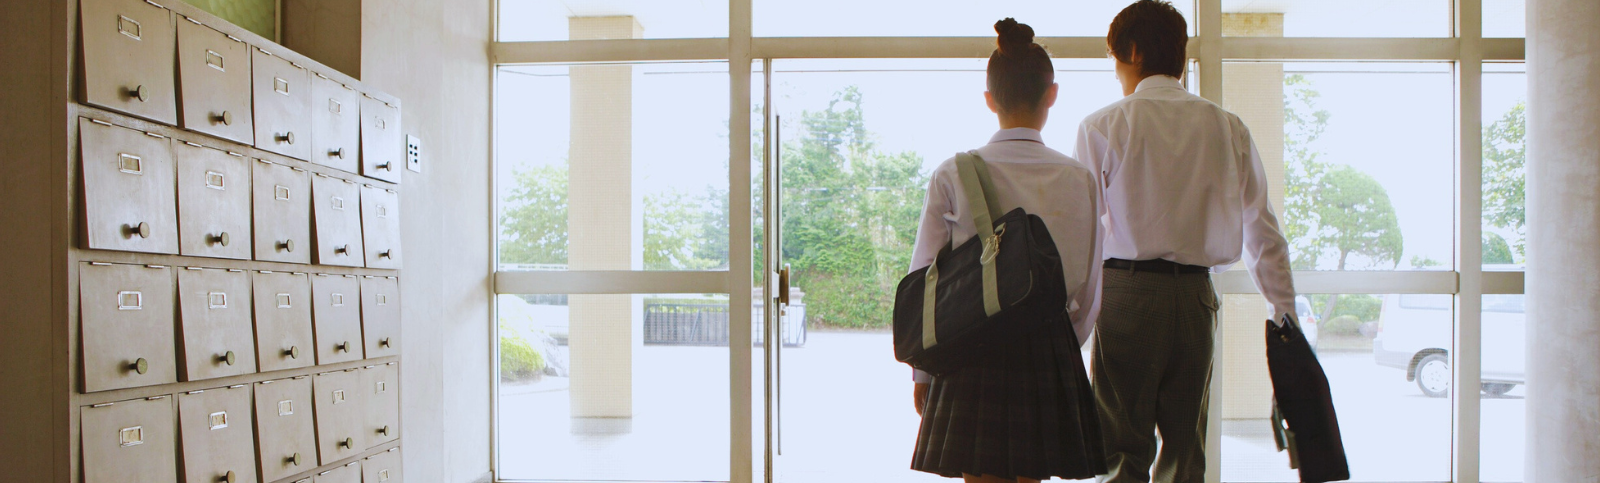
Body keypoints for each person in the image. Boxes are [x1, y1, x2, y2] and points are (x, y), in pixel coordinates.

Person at [1074, 1, 1298, 482]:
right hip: (1196, 298)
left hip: (1127, 296)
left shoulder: (1103, 125)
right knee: (1185, 453)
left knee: (1120, 453)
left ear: (1131, 52)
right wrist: (1285, 314)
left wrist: (1076, 318)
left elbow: (1084, 235)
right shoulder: (1227, 126)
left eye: (1115, 60)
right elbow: (1263, 230)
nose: (1117, 74)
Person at [908, 18, 1107, 483]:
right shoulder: (1078, 178)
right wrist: (1061, 344)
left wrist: (923, 371)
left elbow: (925, 279)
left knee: (979, 474)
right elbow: (1090, 279)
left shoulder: (953, 173)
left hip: (970, 347)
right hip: (1047, 344)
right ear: (1051, 94)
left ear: (989, 99)